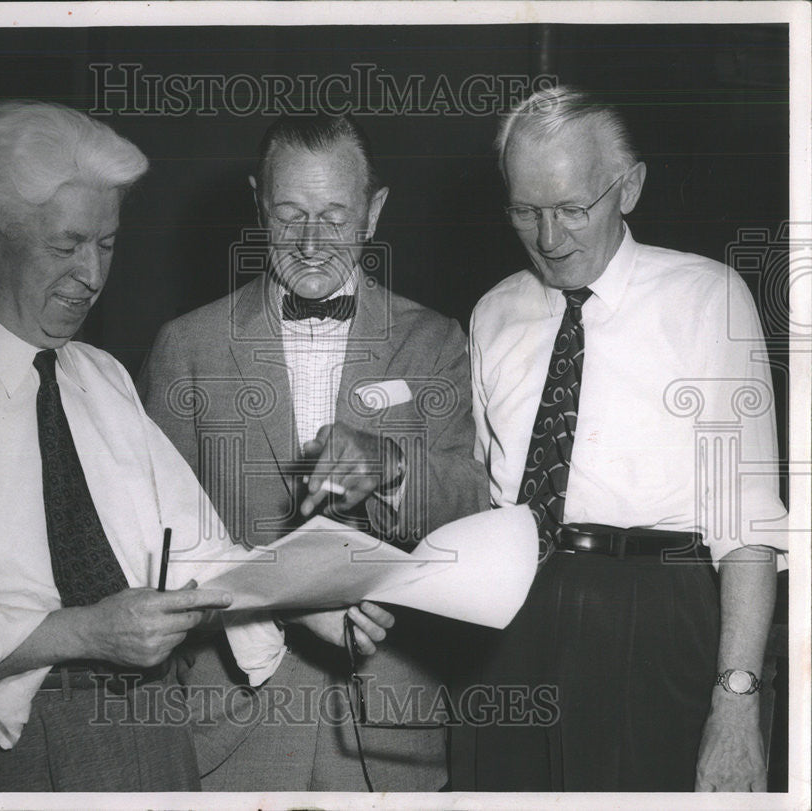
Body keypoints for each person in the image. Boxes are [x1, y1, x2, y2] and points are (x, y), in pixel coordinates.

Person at [0, 99, 286, 792]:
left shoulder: (102, 377)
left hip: (154, 742)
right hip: (1, 756)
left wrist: (318, 588)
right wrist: (86, 632)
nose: (93, 275)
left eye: (106, 244)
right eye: (66, 246)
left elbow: (205, 553)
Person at [452, 85, 788, 792]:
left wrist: (736, 698)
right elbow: (479, 497)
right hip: (513, 620)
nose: (549, 238)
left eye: (574, 208)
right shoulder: (491, 313)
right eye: (525, 210)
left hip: (656, 620)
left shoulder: (708, 297)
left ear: (628, 187)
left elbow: (746, 522)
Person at [139, 112, 487, 791]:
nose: (309, 242)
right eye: (289, 213)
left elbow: (474, 510)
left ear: (374, 212)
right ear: (257, 204)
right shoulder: (186, 347)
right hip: (230, 728)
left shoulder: (435, 341)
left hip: (390, 738)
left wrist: (390, 467)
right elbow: (149, 552)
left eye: (334, 215)